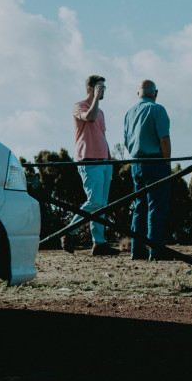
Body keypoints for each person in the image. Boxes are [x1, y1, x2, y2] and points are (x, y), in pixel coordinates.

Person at [68, 75, 119, 256]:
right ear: (90, 88)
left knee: (102, 205)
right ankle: (69, 232)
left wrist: (110, 159)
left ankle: (99, 243)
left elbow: (102, 136)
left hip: (104, 162)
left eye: (104, 87)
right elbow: (89, 118)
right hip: (88, 160)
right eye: (99, 87)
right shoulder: (79, 106)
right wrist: (96, 98)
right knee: (94, 201)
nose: (103, 90)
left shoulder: (102, 113)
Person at [123, 80, 172, 261]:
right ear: (155, 93)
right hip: (156, 162)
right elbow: (164, 139)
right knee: (156, 207)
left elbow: (127, 143)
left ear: (139, 94)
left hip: (136, 163)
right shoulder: (158, 110)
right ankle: (156, 250)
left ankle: (137, 249)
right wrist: (167, 162)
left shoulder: (129, 113)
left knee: (140, 206)